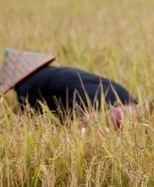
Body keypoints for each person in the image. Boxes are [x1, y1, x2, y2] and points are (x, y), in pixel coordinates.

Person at [0, 48, 137, 128]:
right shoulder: (51, 72)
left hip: (89, 102)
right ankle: (126, 114)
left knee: (87, 128)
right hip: (121, 94)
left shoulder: (26, 87)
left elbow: (31, 121)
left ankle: (113, 117)